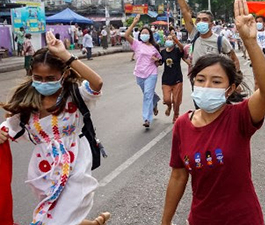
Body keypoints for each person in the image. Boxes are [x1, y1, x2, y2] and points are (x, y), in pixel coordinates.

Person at [161, 0, 265, 223]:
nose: (206, 86)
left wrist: (250, 41)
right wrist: (165, 221)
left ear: (230, 89)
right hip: (201, 219)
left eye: (216, 81)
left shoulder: (240, 117)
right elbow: (178, 176)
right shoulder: (182, 125)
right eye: (201, 80)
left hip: (243, 218)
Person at [0, 31, 110, 225]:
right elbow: (7, 128)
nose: (43, 83)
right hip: (44, 169)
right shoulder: (26, 104)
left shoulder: (76, 94)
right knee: (55, 212)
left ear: (64, 74)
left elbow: (97, 82)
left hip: (75, 161)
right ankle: (93, 223)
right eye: (38, 78)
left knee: (60, 214)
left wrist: (65, 55)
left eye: (50, 78)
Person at [177, 0, 240, 71]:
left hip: (214, 78)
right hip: (198, 78)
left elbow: (234, 60)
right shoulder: (194, 34)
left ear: (211, 24)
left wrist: (235, 78)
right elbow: (185, 11)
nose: (201, 22)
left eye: (205, 19)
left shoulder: (220, 40)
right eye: (198, 20)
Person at [125, 15, 162, 128]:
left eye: (146, 33)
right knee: (147, 93)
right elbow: (126, 35)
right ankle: (155, 102)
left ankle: (147, 118)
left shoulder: (154, 47)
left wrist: (156, 60)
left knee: (147, 95)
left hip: (152, 73)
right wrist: (134, 23)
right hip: (140, 73)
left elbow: (159, 62)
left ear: (150, 35)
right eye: (142, 33)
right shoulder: (137, 44)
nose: (144, 34)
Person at [160, 34, 185, 123]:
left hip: (177, 78)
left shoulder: (177, 51)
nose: (169, 40)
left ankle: (176, 115)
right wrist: (155, 60)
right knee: (167, 99)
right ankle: (169, 106)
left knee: (176, 100)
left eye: (171, 39)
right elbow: (160, 62)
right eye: (168, 39)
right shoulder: (163, 52)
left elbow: (183, 49)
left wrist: (177, 40)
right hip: (166, 79)